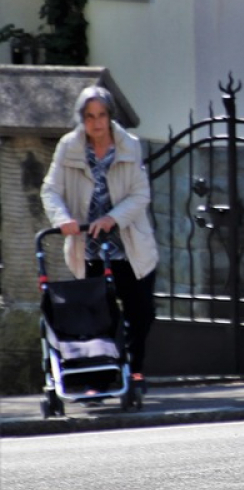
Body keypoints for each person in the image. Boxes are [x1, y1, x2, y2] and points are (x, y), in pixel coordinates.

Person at [41, 86, 159, 390]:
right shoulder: (69, 146)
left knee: (141, 312)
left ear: (110, 117)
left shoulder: (128, 145)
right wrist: (62, 218)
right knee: (98, 317)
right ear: (82, 119)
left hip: (129, 245)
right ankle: (104, 377)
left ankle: (136, 369)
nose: (96, 123)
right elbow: (50, 189)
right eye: (90, 116)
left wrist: (112, 218)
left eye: (102, 115)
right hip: (89, 248)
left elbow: (140, 194)